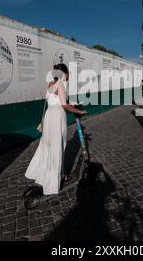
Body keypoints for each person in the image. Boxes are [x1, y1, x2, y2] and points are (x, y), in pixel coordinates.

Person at [25, 64, 87, 196]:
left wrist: (71, 103)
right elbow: (64, 105)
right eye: (67, 73)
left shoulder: (49, 85)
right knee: (58, 146)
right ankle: (54, 180)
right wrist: (79, 111)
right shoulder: (60, 85)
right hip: (57, 117)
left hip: (49, 116)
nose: (68, 75)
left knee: (48, 146)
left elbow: (56, 100)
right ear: (64, 73)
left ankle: (43, 176)